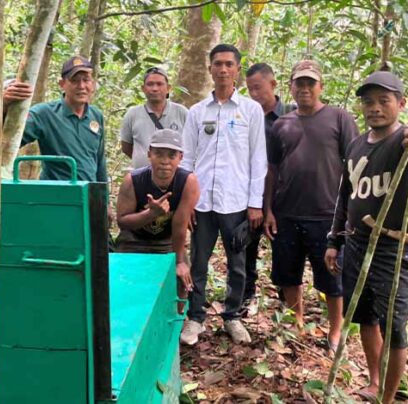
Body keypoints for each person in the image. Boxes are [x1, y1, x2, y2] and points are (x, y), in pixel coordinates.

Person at [264, 60, 359, 351]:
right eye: (299, 83)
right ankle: (297, 322)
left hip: (328, 215)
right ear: (290, 86)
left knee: (332, 277)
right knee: (288, 273)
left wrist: (351, 212)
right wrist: (268, 209)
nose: (304, 88)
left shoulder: (339, 118)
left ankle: (335, 330)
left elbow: (356, 164)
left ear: (321, 87)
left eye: (310, 83)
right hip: (287, 212)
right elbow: (273, 170)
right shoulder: (281, 124)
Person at [325, 71, 407, 403]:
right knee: (363, 316)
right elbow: (346, 196)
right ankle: (374, 381)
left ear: (401, 104)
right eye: (368, 102)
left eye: (384, 101)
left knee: (394, 326)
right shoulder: (357, 144)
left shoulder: (403, 143)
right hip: (357, 243)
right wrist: (334, 240)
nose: (375, 108)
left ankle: (387, 397)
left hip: (393, 247)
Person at [179, 44, 267, 345]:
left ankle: (232, 317)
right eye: (218, 64)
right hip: (202, 202)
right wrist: (187, 201)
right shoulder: (196, 112)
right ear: (210, 69)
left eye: (229, 64)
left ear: (237, 70)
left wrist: (255, 203)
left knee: (238, 263)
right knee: (199, 262)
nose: (223, 69)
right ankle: (196, 317)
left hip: (236, 202)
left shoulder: (250, 111)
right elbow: (187, 160)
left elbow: (258, 159)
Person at [116, 129, 200, 308]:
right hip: (134, 240)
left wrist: (179, 262)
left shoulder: (188, 182)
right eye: (159, 154)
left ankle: (176, 324)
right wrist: (151, 214)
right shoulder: (133, 180)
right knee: (121, 282)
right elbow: (122, 221)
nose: (165, 161)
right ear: (149, 155)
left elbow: (180, 225)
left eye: (171, 155)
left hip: (167, 242)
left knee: (182, 280)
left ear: (180, 157)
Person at [3, 55, 106, 182]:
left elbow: (100, 161)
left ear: (93, 84)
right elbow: (8, 137)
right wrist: (4, 104)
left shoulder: (96, 115)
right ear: (62, 84)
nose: (81, 86)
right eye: (74, 80)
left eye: (86, 80)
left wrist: (102, 195)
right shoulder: (44, 113)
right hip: (56, 193)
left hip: (88, 193)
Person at [244, 62, 295, 308]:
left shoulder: (292, 115)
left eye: (258, 88)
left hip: (284, 196)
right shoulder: (245, 116)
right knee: (247, 248)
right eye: (249, 90)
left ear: (273, 85)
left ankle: (287, 304)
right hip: (252, 194)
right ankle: (246, 296)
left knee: (285, 251)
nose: (254, 95)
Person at [120, 67, 188, 169]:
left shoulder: (182, 113)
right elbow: (126, 147)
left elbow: (191, 145)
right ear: (143, 89)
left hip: (176, 178)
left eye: (159, 84)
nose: (155, 88)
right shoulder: (132, 114)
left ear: (168, 88)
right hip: (142, 179)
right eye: (150, 84)